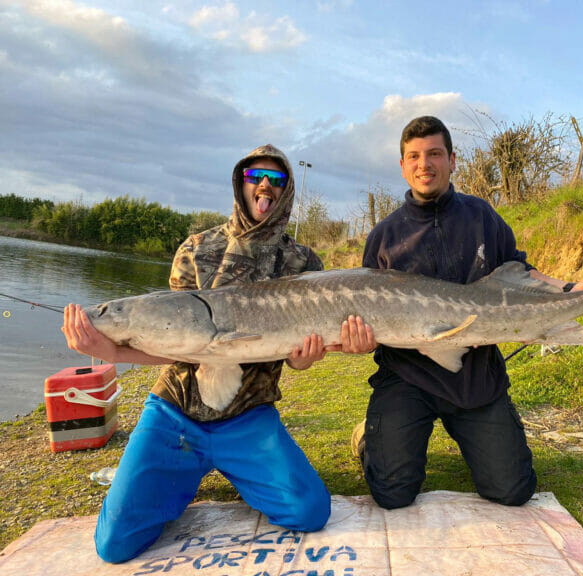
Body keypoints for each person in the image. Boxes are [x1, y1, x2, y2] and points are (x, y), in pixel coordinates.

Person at [62, 144, 370, 563]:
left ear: (287, 190)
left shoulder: (302, 261)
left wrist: (307, 356)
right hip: (176, 413)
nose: (265, 185)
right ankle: (176, 475)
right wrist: (110, 349)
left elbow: (296, 359)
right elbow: (179, 349)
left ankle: (216, 469)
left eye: (277, 178)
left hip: (248, 416)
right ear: (240, 183)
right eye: (255, 176)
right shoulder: (195, 249)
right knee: (114, 544)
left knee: (309, 511)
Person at [351, 116, 583, 510]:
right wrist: (359, 339)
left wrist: (572, 290)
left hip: (475, 375)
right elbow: (366, 312)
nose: (425, 164)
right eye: (414, 156)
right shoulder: (383, 236)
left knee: (512, 491)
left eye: (435, 154)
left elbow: (519, 272)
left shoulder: (481, 215)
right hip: (406, 376)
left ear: (452, 160)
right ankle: (371, 439)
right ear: (402, 166)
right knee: (392, 493)